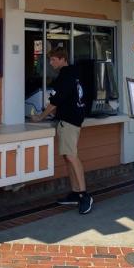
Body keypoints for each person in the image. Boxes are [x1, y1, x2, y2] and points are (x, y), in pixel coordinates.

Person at [31, 47, 92, 215]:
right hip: (72, 119)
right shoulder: (75, 74)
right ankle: (75, 192)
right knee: (67, 156)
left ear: (62, 59)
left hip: (69, 122)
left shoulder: (65, 75)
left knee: (72, 156)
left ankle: (84, 194)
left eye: (53, 60)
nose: (51, 63)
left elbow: (56, 100)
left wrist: (41, 116)